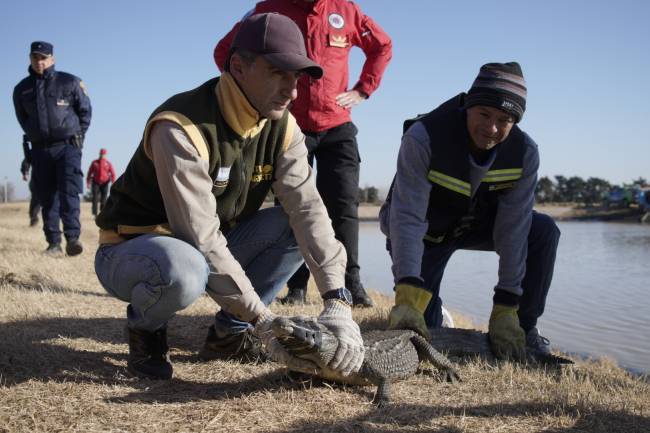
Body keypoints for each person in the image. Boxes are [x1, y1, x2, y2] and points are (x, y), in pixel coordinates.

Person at [94, 13, 364, 380]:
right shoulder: (181, 127)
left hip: (203, 245)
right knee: (184, 271)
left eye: (296, 76)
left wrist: (337, 299)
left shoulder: (282, 124)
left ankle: (229, 336)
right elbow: (199, 237)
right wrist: (263, 319)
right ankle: (147, 329)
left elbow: (308, 209)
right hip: (135, 248)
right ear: (238, 66)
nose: (293, 90)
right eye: (278, 73)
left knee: (291, 226)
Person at [214, 0, 393, 307]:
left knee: (344, 206)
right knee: (291, 206)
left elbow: (382, 46)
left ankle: (352, 285)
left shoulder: (347, 10)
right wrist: (252, 97)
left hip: (337, 125)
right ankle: (296, 286)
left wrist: (364, 89)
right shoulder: (267, 10)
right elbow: (224, 51)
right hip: (290, 126)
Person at [380, 62, 561, 360]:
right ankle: (434, 311)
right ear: (467, 105)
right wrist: (408, 291)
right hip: (425, 231)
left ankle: (525, 330)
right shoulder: (423, 137)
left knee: (542, 230)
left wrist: (506, 303)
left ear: (515, 121)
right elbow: (407, 218)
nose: (491, 128)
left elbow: (513, 229)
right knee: (427, 329)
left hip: (475, 224)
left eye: (504, 120)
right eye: (484, 114)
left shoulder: (525, 153)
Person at [13, 41, 92, 256]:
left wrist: (79, 137)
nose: (39, 62)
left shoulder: (70, 82)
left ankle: (73, 238)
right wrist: (35, 135)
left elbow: (85, 112)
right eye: (35, 57)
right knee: (47, 197)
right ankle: (54, 243)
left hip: (68, 148)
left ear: (52, 59)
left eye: (43, 58)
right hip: (40, 151)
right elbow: (23, 119)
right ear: (30, 59)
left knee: (69, 192)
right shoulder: (22, 89)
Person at [86, 148, 116, 216]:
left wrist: (113, 182)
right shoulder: (94, 162)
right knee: (95, 198)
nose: (102, 155)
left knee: (104, 199)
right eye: (101, 154)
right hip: (95, 183)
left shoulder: (108, 163)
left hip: (105, 183)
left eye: (103, 154)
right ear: (99, 154)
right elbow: (89, 173)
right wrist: (88, 182)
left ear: (105, 155)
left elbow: (113, 174)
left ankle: (102, 213)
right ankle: (95, 213)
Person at [20, 134, 41, 227]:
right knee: (36, 200)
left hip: (52, 178)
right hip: (37, 179)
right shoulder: (35, 151)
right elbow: (27, 160)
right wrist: (25, 172)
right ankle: (34, 219)